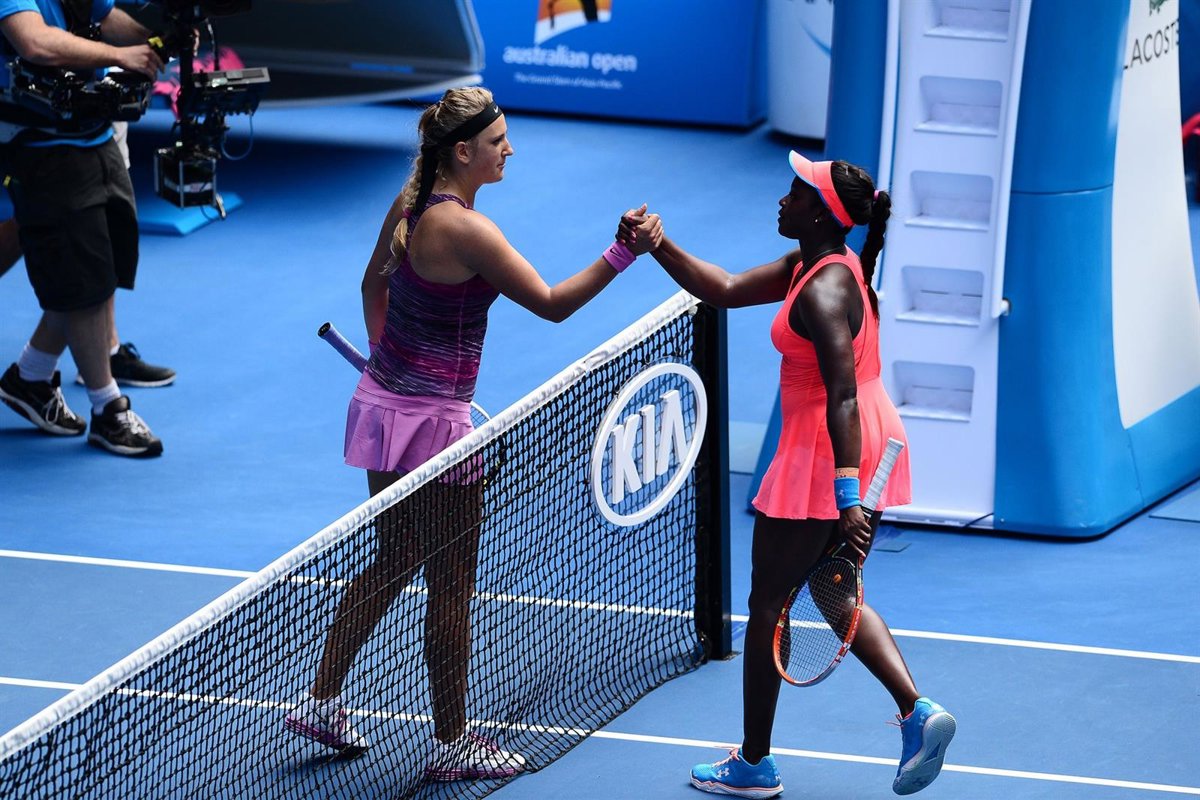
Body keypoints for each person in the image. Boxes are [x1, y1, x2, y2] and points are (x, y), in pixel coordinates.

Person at [283, 86, 663, 780]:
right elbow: (552, 304)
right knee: (451, 584)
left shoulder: (410, 203)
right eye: (497, 142)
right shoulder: (468, 231)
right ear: (463, 152)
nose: (509, 149)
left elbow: (372, 286)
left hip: (383, 407)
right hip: (436, 429)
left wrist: (392, 362)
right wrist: (622, 252)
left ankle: (321, 700)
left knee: (395, 557)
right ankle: (451, 744)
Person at [623, 152, 955, 798]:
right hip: (865, 440)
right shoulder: (818, 262)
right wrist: (657, 244)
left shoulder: (825, 291)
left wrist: (848, 497)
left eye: (797, 194)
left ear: (824, 213)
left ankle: (753, 763)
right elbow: (723, 287)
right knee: (834, 592)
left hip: (828, 450)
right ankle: (917, 711)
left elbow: (842, 397)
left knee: (768, 605)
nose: (783, 200)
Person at [0, 0, 165, 456]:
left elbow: (105, 15)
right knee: (82, 277)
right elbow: (34, 41)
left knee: (99, 264)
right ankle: (108, 408)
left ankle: (31, 377)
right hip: (39, 143)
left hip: (93, 129)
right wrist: (120, 56)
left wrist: (153, 43)